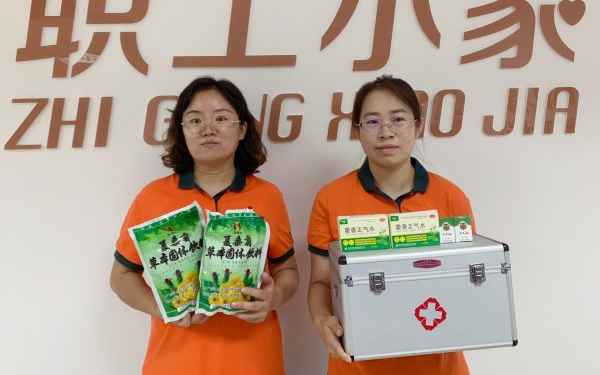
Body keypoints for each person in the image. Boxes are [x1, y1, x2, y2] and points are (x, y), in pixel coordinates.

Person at [110, 76, 299, 375]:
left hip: (254, 363)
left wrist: (273, 298)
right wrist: (161, 309)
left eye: (221, 118)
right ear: (181, 131)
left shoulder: (268, 196)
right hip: (173, 364)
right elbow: (121, 276)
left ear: (242, 129)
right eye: (195, 120)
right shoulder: (153, 197)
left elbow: (287, 270)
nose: (207, 129)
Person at [307, 75, 476, 375]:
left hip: (439, 365)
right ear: (357, 131)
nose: (386, 132)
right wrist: (322, 320)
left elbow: (466, 279)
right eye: (372, 122)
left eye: (398, 119)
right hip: (357, 365)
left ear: (418, 126)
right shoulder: (330, 198)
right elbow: (320, 280)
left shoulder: (450, 197)